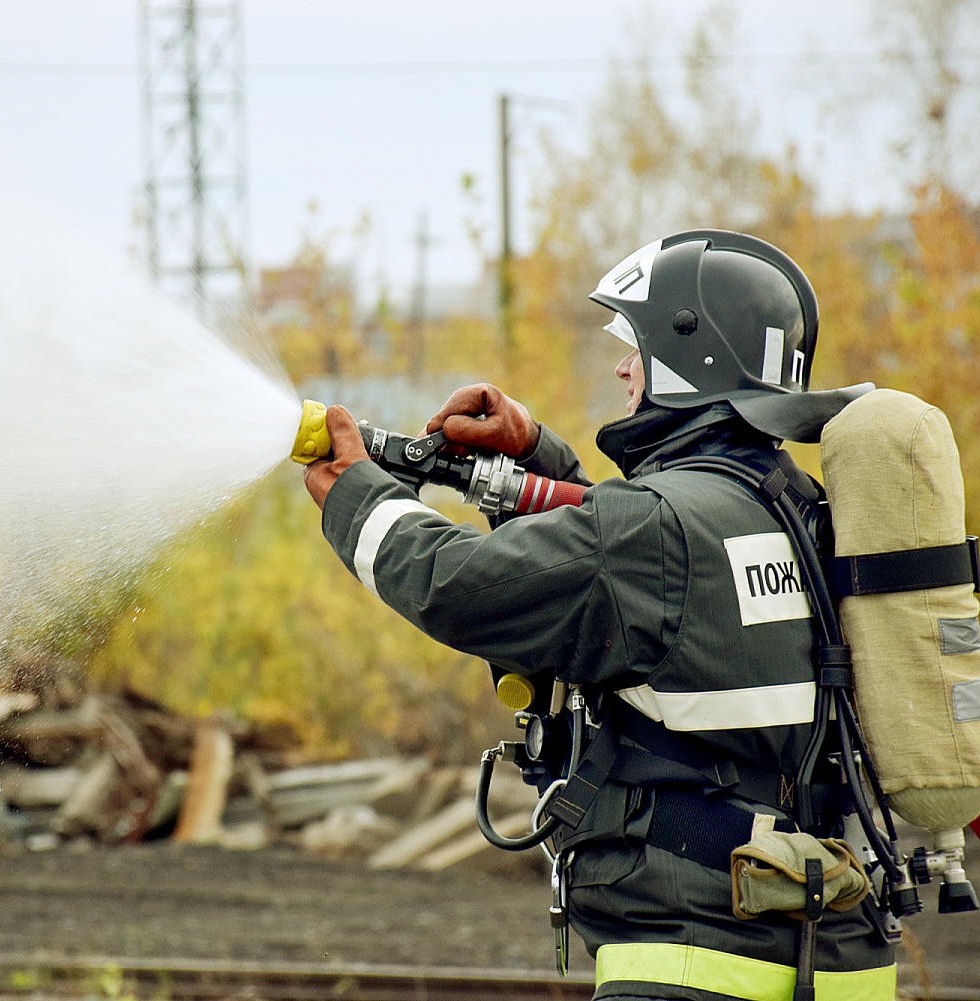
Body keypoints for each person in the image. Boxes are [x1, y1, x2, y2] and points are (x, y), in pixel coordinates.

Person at [302, 230, 895, 1001]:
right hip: (834, 957)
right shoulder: (792, 507)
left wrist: (358, 497)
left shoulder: (656, 530)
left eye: (637, 348)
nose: (623, 366)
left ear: (694, 359)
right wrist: (535, 458)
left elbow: (460, 585)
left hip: (699, 964)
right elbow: (636, 586)